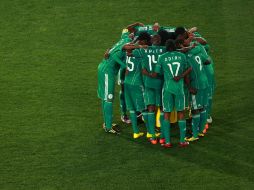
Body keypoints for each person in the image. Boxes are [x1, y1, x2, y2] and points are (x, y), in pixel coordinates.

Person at [155, 39, 191, 148]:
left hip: (167, 89)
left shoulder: (162, 57)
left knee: (166, 114)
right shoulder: (181, 56)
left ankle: (167, 142)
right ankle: (182, 141)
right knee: (181, 113)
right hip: (179, 88)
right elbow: (189, 68)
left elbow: (157, 73)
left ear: (166, 47)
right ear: (175, 46)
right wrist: (180, 76)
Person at [124, 32, 151, 138]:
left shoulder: (129, 51)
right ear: (143, 41)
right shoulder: (140, 53)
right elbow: (144, 69)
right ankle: (149, 132)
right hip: (137, 84)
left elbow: (126, 68)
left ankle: (135, 132)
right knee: (144, 108)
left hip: (127, 82)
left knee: (131, 108)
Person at [140, 34, 166, 144]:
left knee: (150, 107)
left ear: (151, 41)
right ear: (159, 41)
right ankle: (163, 135)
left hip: (148, 83)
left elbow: (143, 69)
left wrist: (150, 75)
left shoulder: (144, 50)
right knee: (162, 108)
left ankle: (152, 135)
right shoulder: (163, 50)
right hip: (160, 83)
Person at [184, 41, 211, 142]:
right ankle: (201, 131)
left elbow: (187, 74)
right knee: (203, 107)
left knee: (195, 109)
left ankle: (195, 135)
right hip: (205, 82)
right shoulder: (198, 53)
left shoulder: (186, 57)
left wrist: (189, 86)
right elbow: (208, 61)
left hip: (196, 84)